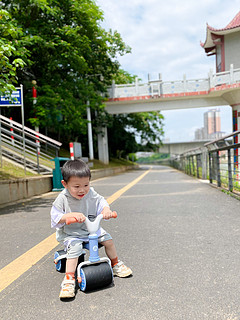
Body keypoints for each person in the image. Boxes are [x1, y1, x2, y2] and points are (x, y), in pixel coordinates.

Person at [51, 159, 132, 299]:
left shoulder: (91, 193)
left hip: (91, 230)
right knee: (75, 249)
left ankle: (115, 264)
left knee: (108, 240)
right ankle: (69, 279)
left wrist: (106, 209)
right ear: (65, 184)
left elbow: (101, 201)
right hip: (73, 233)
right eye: (76, 186)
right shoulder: (63, 197)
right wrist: (69, 216)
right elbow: (55, 215)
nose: (82, 190)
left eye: (86, 185)